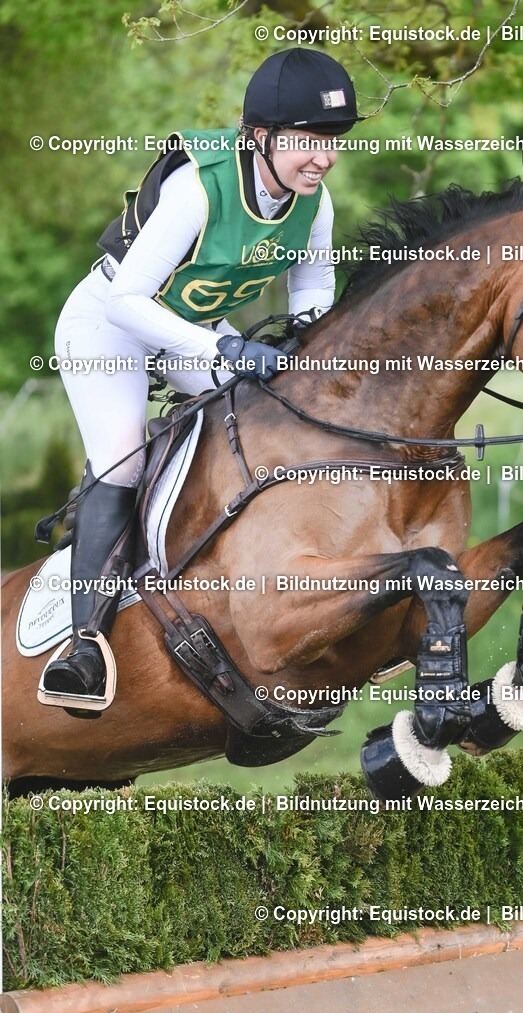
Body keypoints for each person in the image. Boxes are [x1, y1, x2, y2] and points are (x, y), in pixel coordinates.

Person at [42, 48, 361, 707]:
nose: (323, 158)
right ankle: (82, 647)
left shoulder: (313, 203)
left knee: (275, 419)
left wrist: (305, 344)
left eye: (332, 141)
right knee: (123, 460)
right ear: (259, 136)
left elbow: (311, 286)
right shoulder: (198, 189)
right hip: (111, 324)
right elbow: (128, 300)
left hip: (192, 331)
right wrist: (230, 350)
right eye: (307, 141)